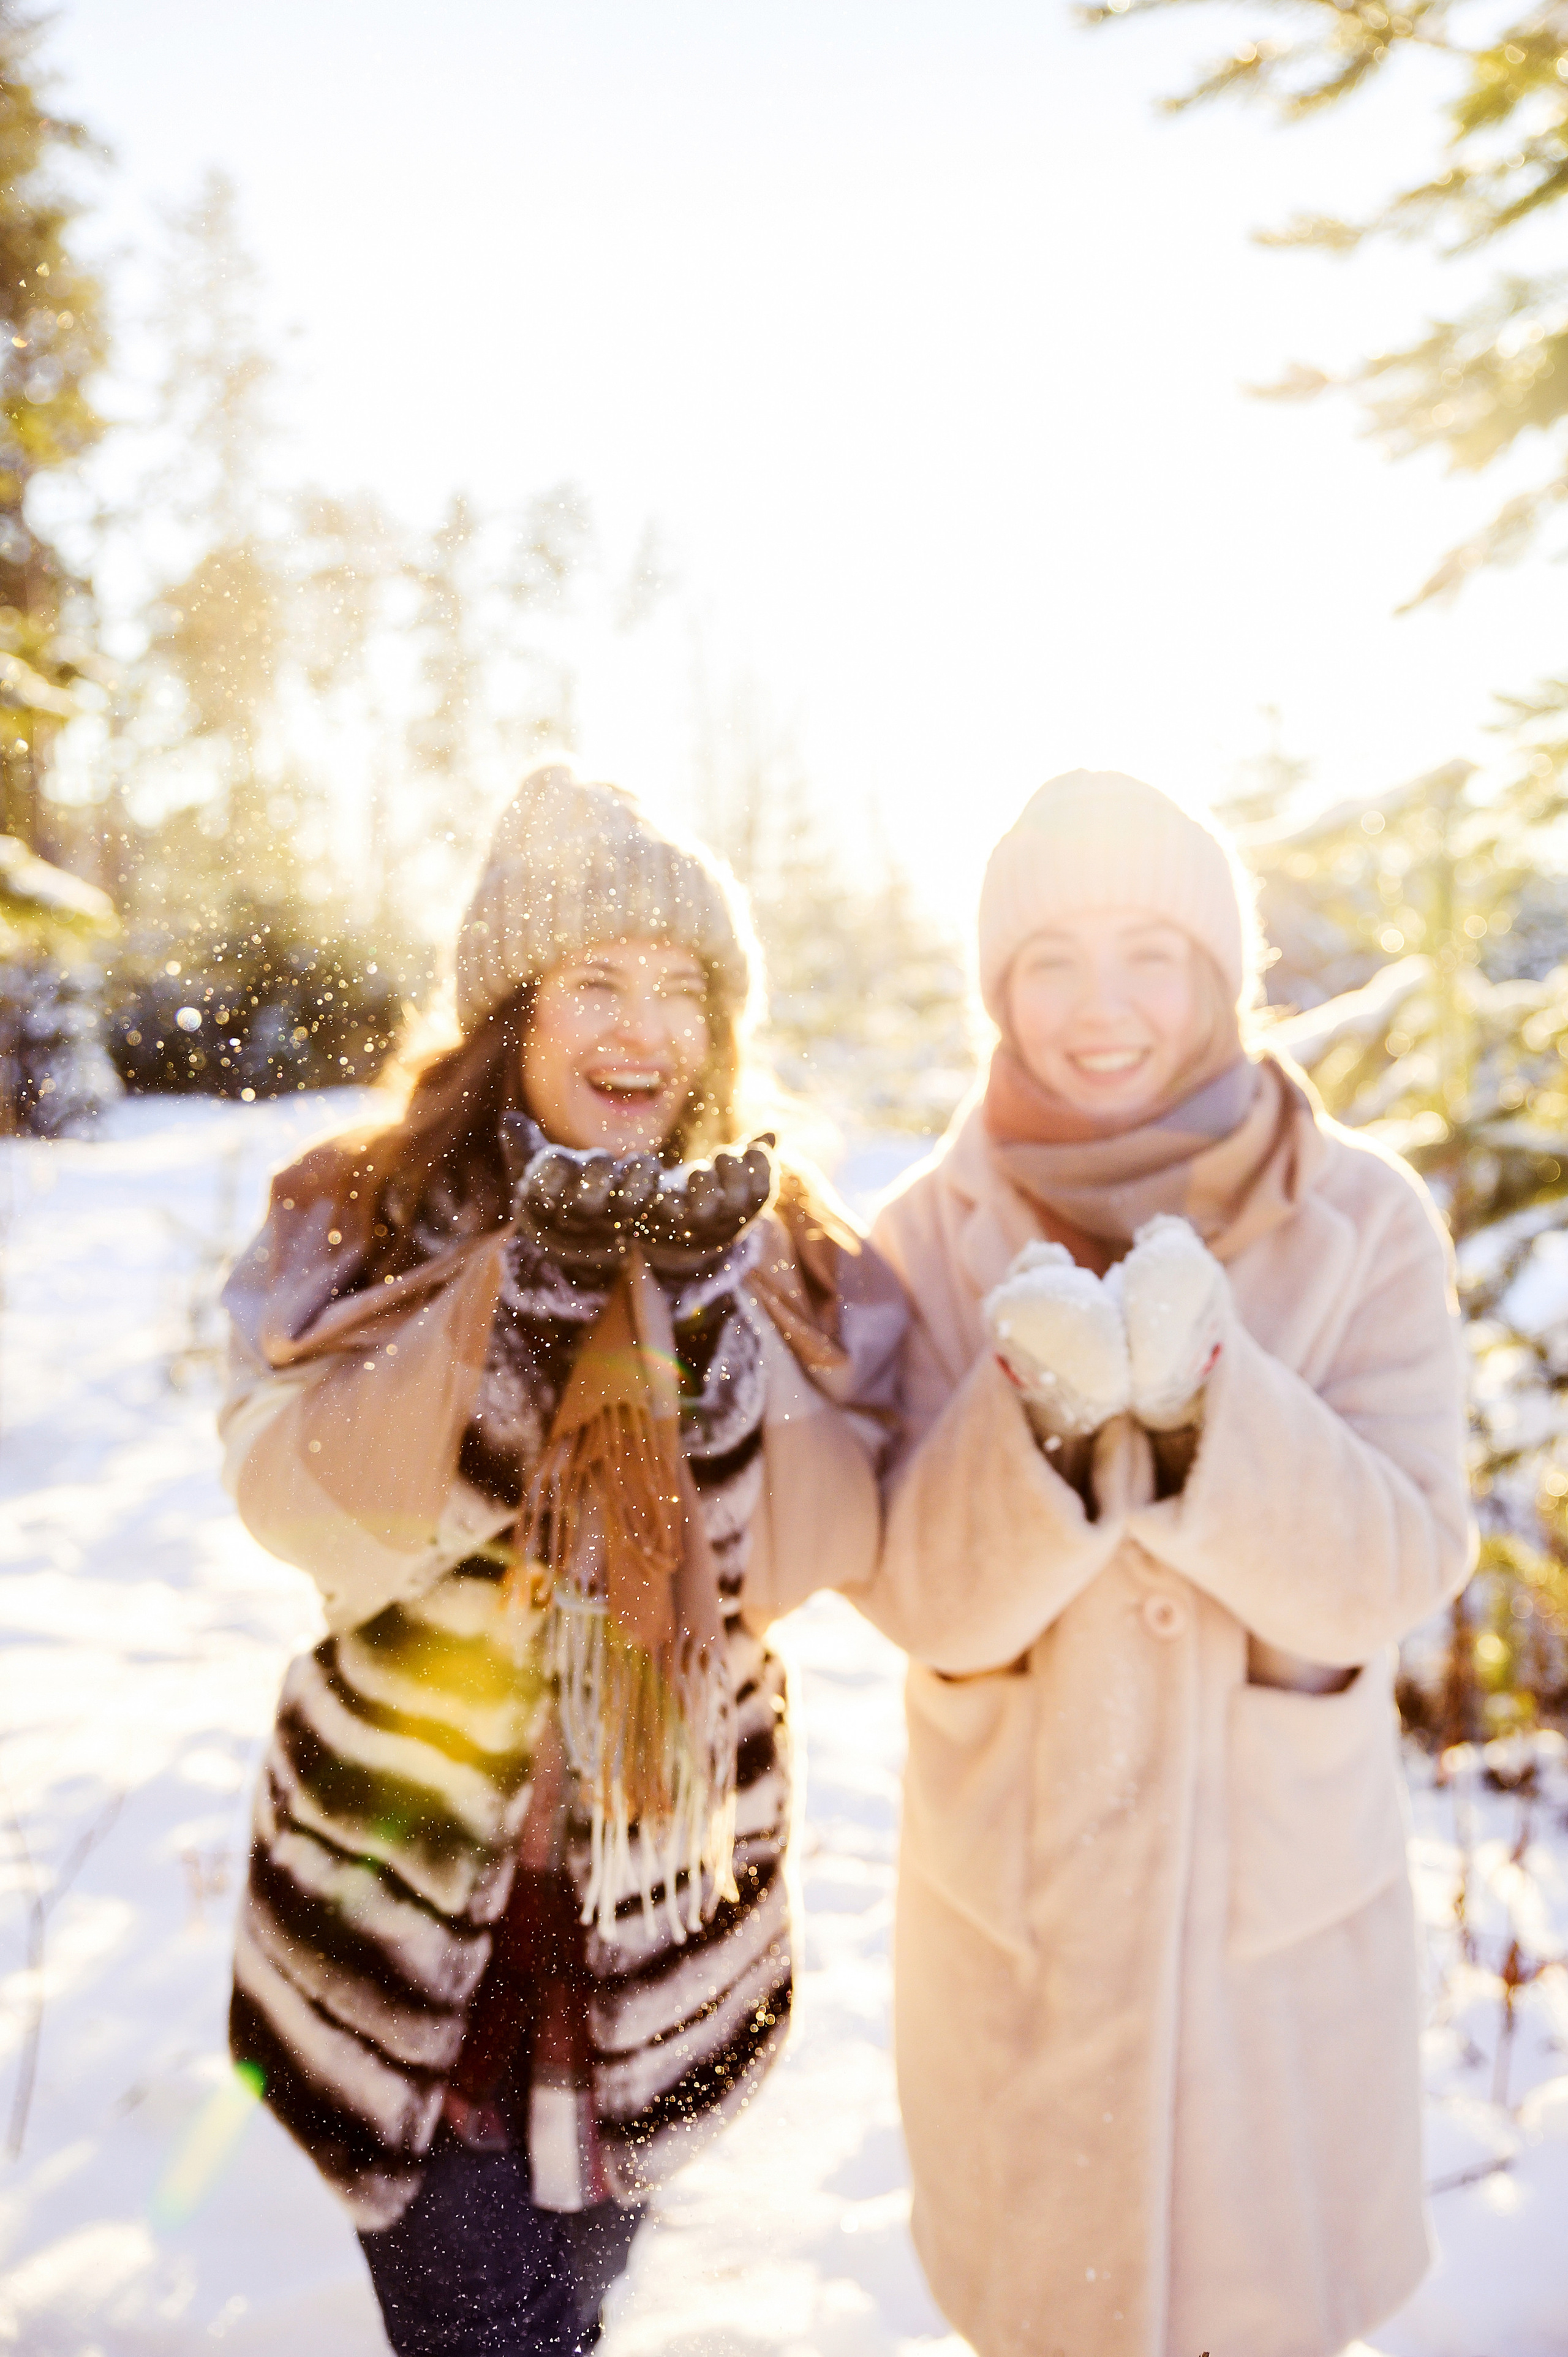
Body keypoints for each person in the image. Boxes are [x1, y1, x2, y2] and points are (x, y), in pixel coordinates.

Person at [217, 762, 905, 2357]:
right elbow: (296, 1503)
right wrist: (519, 1320)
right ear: (513, 1010)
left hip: (652, 1951)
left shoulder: (781, 1234)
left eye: (681, 990)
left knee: (566, 2302)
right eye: (596, 981)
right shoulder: (369, 1213)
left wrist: (709, 1336)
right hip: (405, 1932)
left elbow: (824, 1545)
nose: (641, 1032)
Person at [858, 771, 1472, 2357]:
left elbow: (1402, 1558)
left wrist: (1216, 1411)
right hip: (1020, 1928)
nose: (1102, 1007)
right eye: (1052, 957)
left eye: (1151, 951)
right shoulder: (926, 1237)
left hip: (1272, 1946)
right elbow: (910, 1593)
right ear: (999, 984)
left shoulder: (1362, 1221)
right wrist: (1041, 1427)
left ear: (1220, 971)